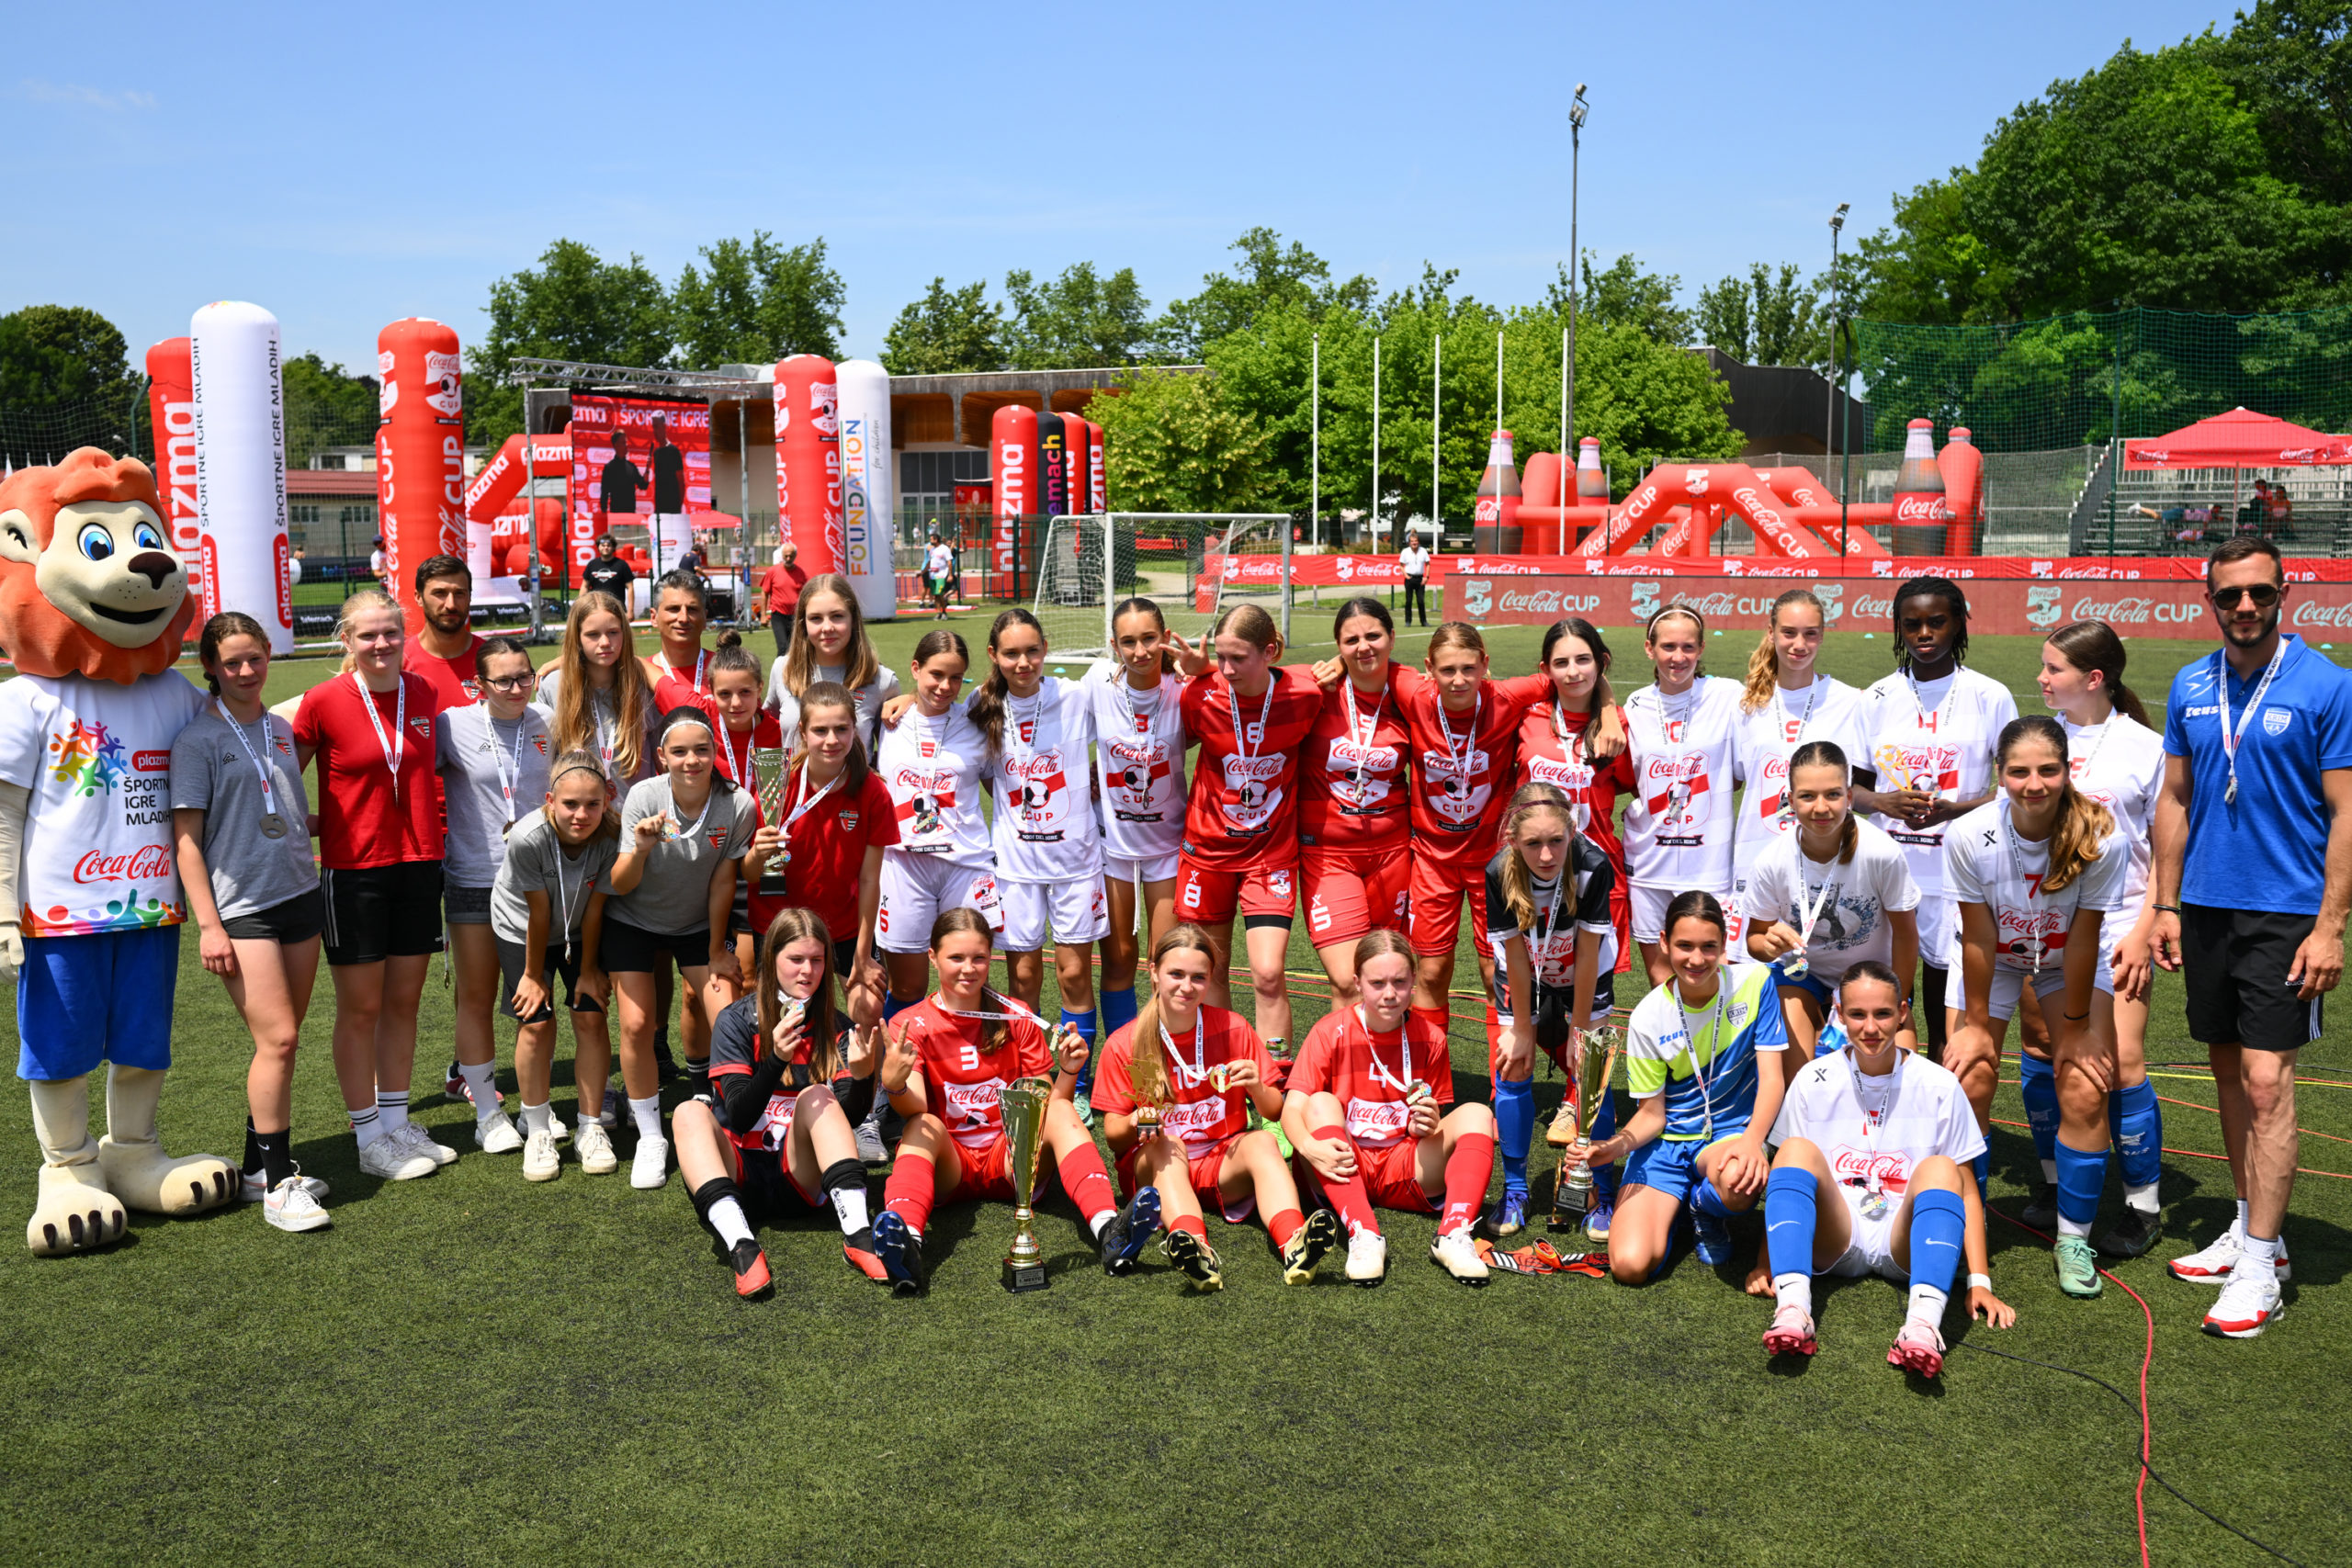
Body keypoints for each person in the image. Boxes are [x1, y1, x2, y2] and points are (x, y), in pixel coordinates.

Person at [2144, 536, 2352, 1338]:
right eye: (2229, 594)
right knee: (2229, 1073)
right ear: (2210, 598)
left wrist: (2330, 927)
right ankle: (2248, 1225)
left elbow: (2345, 810)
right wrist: (2166, 904)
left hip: (2286, 913)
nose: (2244, 607)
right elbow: (2175, 797)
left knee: (2267, 1082)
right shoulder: (2192, 683)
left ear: (2283, 594)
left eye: (2260, 592)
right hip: (2204, 906)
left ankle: (2262, 1264)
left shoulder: (2327, 684)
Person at [869, 908, 1161, 1295]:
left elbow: (1043, 1107)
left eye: (979, 957)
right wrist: (895, 1086)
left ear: (991, 956)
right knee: (923, 1124)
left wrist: (1068, 1071)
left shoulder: (1017, 1015)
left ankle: (1109, 1229)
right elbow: (916, 1108)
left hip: (1012, 1158)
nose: (968, 968)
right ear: (932, 957)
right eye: (956, 957)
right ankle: (907, 1244)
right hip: (950, 1163)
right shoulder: (910, 1023)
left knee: (1062, 1108)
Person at [1760, 961, 2015, 1378]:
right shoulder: (1812, 1079)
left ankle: (1922, 1326)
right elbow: (1788, 1178)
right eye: (1857, 1014)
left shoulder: (1939, 1083)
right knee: (1792, 1149)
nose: (1870, 1027)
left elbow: (1966, 1187)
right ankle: (1793, 1309)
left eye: (1882, 1014)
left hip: (1906, 1241)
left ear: (1902, 1013)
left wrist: (1979, 1281)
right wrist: (1765, 1260)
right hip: (1836, 1234)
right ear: (1839, 1015)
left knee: (1943, 1168)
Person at [1945, 716, 2124, 1297]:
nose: (2034, 784)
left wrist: (2075, 1028)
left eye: (2048, 770)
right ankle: (1962, 1223)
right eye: (2019, 771)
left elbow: (2084, 938)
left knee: (2085, 1084)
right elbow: (1977, 937)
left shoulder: (2101, 835)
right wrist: (1976, 1026)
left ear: (2068, 770)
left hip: (2064, 959)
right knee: (1969, 1077)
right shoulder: (1968, 834)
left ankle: (2074, 1238)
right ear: (2000, 774)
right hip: (1992, 958)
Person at [169, 613, 329, 1232]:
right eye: (231, 662)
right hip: (242, 909)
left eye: (254, 658)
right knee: (279, 1039)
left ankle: (258, 1167)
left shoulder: (279, 729)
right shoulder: (198, 740)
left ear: (268, 655)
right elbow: (187, 841)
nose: (244, 671)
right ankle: (280, 1186)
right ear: (210, 666)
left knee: (283, 1042)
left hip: (300, 893)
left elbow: (278, 805)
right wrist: (208, 926)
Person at [293, 590, 449, 1181]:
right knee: (361, 1008)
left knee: (404, 1003)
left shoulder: (423, 691)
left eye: (390, 633)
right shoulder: (323, 700)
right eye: (368, 635)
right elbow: (279, 776)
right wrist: (308, 824)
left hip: (419, 863)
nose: (381, 644)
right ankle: (366, 1136)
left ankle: (397, 1122)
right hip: (354, 870)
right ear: (347, 640)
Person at [1091, 923, 1343, 1290]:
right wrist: (1139, 1120)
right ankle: (1196, 1251)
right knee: (1167, 1144)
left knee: (1263, 1141)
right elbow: (1113, 1137)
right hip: (1157, 1169)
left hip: (1220, 1163)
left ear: (1211, 979)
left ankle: (1295, 1243)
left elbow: (1274, 1111)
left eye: (1198, 977)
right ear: (1154, 972)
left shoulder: (1233, 1027)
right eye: (1176, 974)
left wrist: (1257, 1086)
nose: (1187, 986)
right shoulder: (1124, 1043)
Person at [2029, 622, 2167, 1256]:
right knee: (2045, 1050)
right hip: (2045, 926)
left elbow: (2167, 846)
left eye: (2053, 668)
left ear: (2093, 678)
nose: (2041, 678)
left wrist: (2147, 928)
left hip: (2118, 926)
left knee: (2123, 1061)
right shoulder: (2040, 737)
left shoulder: (2146, 747)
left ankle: (2143, 1206)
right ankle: (2055, 1181)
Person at [1571, 891, 1788, 1285]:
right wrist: (1613, 1147)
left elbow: (1773, 1079)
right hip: (1666, 1144)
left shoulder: (1755, 983)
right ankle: (1676, 1205)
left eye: (1709, 947)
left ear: (1724, 944)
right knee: (1629, 1266)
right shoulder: (1648, 1016)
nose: (1697, 959)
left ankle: (1703, 1208)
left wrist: (1752, 1141)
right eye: (1685, 946)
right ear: (1664, 943)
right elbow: (1653, 1115)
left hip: (1727, 1136)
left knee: (1740, 1180)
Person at [678, 908, 891, 1296]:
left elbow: (845, 1118)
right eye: (796, 959)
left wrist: (863, 1078)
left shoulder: (837, 1026)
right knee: (688, 1112)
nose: (807, 971)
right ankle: (742, 1246)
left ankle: (858, 1236)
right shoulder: (735, 1020)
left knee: (817, 1095)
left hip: (801, 1177)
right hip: (738, 1175)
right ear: (771, 958)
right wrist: (775, 1060)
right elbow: (739, 1117)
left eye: (817, 960)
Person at [1853, 577, 2017, 1063]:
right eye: (1912, 624)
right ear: (1898, 629)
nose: (1924, 633)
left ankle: (1942, 1102)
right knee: (1887, 1004)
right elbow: (1852, 791)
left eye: (1937, 622)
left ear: (1960, 623)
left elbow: (2015, 789)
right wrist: (1883, 802)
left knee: (1948, 1012)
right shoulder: (1876, 697)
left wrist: (1955, 811)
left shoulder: (1989, 696)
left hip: (1959, 878)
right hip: (1889, 875)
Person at [1281, 929, 1501, 1287]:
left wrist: (1427, 1124)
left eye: (1399, 981)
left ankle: (1454, 1235)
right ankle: (1364, 1235)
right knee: (1319, 1103)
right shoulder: (1329, 1031)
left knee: (1478, 1113)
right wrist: (1308, 1148)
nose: (1389, 993)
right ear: (1357, 983)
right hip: (1341, 1164)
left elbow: (1432, 1122)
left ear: (1413, 980)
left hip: (1405, 1165)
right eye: (1377, 983)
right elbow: (1291, 1109)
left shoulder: (1431, 1037)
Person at [602, 707, 755, 1187]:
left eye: (702, 750)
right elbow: (620, 884)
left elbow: (724, 881)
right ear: (662, 756)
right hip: (632, 921)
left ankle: (734, 1119)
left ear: (714, 752)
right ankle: (651, 1136)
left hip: (695, 925)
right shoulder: (645, 796)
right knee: (636, 1023)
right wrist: (642, 849)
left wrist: (715, 949)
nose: (692, 760)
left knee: (728, 1015)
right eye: (680, 751)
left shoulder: (738, 803)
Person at [1171, 604, 1328, 1054]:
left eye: (1238, 658)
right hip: (1206, 854)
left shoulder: (1306, 693)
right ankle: (1220, 1076)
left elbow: (1337, 671)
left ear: (1270, 651)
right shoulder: (1199, 695)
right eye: (1220, 657)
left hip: (1270, 856)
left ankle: (1274, 1079)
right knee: (1209, 972)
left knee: (1269, 973)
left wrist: (1336, 663)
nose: (1226, 669)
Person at [1395, 622, 1552, 1042]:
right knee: (1431, 971)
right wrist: (1340, 663)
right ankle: (1431, 1077)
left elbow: (1569, 674)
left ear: (1485, 663)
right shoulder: (1412, 693)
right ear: (1429, 668)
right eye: (1447, 670)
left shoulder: (1507, 696)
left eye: (1468, 668)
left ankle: (1506, 1077)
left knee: (1495, 971)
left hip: (1493, 861)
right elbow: (1364, 660)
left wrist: (1607, 709)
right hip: (1432, 860)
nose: (1459, 680)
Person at [433, 636, 551, 1153]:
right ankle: (487, 1112)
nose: (516, 688)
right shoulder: (452, 724)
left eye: (524, 677)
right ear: (479, 684)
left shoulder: (548, 722)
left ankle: (535, 1109)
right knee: (476, 998)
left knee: (534, 1000)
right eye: (502, 680)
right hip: (474, 878)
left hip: (536, 883)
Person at [967, 610, 1106, 1048]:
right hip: (1015, 865)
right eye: (1011, 653)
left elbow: (1125, 727)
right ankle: (1031, 1068)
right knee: (1023, 976)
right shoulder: (980, 704)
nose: (1023, 662)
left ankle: (1077, 1078)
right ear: (994, 654)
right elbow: (985, 774)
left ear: (1046, 648)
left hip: (1075, 862)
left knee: (1074, 974)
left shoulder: (1076, 696)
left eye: (1032, 651)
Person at [1484, 783, 1617, 1237]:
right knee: (1514, 1063)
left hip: (1583, 968)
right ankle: (1515, 1190)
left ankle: (1602, 1190)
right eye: (1533, 843)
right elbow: (1515, 957)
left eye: (1556, 841)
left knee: (1593, 1068)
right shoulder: (1499, 870)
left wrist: (1579, 1033)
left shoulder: (1593, 865)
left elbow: (1588, 953)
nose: (1546, 855)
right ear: (1513, 841)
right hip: (1527, 969)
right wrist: (1523, 1028)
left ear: (1572, 831)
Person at [1742, 740, 1921, 1059]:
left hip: (1870, 976)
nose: (1821, 807)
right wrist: (1768, 946)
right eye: (1807, 796)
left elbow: (1906, 935)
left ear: (1849, 797)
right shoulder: (1771, 861)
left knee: (1895, 1071)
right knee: (1798, 1072)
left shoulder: (1881, 853)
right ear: (1791, 800)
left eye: (1833, 794)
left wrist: (1896, 1001)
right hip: (1802, 975)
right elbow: (1754, 938)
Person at [493, 750, 620, 1182]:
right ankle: (538, 1129)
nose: (581, 814)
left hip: (581, 926)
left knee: (591, 1014)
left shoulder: (611, 835)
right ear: (550, 801)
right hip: (523, 928)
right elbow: (538, 912)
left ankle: (590, 1127)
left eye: (592, 804)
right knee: (535, 1022)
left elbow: (596, 908)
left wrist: (588, 970)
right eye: (570, 804)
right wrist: (532, 976)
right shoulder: (528, 836)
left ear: (606, 801)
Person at [872, 630, 1001, 1027]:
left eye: (956, 677)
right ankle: (897, 1062)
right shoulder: (886, 721)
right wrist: (909, 698)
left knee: (966, 981)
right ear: (915, 669)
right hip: (904, 866)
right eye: (936, 675)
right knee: (907, 986)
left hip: (965, 866)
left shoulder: (975, 723)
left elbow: (1000, 788)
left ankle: (967, 1062)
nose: (945, 686)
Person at [1731, 590, 1872, 942]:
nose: (1799, 644)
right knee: (1757, 965)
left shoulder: (1851, 702)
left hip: (1824, 864)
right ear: (1771, 633)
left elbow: (1864, 785)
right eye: (1789, 632)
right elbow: (1734, 779)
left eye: (1810, 633)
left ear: (1822, 635)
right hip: (1757, 862)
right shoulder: (1744, 704)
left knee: (1823, 960)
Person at [1084, 597, 1190, 1046]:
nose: (1140, 651)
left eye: (1149, 639)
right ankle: (1123, 1058)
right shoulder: (1096, 684)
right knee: (1119, 960)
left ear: (1165, 638)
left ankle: (1162, 1057)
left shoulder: (1185, 689)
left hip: (1168, 847)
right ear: (1114, 646)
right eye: (1128, 642)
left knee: (1163, 962)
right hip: (1114, 849)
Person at [1299, 598, 1412, 1009]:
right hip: (1329, 856)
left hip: (1393, 855)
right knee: (1349, 982)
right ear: (1338, 646)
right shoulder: (1317, 689)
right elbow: (1252, 675)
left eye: (1373, 636)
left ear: (1392, 638)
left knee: (1391, 980)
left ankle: (1394, 1053)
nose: (1364, 646)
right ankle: (1349, 1054)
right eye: (1351, 640)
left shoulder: (1410, 694)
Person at [1623, 604, 1746, 983]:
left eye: (1688, 647)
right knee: (1662, 979)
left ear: (1701, 648)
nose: (1678, 657)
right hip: (1648, 861)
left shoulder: (1727, 696)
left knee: (1717, 977)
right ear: (1649, 649)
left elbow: (1738, 775)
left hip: (1708, 864)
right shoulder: (1634, 706)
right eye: (1668, 647)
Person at [751, 680, 897, 986]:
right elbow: (749, 874)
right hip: (781, 923)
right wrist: (757, 854)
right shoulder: (776, 783)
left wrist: (863, 955)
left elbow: (869, 880)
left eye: (841, 729)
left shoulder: (873, 791)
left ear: (854, 729)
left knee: (868, 1004)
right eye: (820, 730)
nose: (832, 740)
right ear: (803, 731)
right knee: (786, 1012)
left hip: (843, 926)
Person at [1513, 616, 1633, 970]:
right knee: (1531, 980)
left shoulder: (1621, 725)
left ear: (1601, 662)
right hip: (1532, 867)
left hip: (1596, 868)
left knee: (1595, 982)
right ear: (1545, 669)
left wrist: (1608, 710)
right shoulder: (1523, 717)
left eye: (1583, 660)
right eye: (1561, 662)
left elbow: (1631, 783)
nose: (1573, 672)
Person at [766, 572, 901, 749]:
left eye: (837, 616)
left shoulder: (882, 680)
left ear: (853, 619)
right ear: (803, 623)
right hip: (793, 769)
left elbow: (894, 752)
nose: (827, 627)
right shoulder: (783, 669)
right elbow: (762, 729)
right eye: (816, 618)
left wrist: (913, 699)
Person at [538, 591, 657, 787]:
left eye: (613, 632)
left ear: (624, 633)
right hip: (578, 805)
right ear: (577, 637)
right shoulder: (553, 686)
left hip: (637, 807)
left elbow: (663, 761)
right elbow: (542, 765)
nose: (605, 643)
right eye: (593, 634)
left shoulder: (643, 685)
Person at [404, 555, 483, 712]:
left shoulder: (494, 659)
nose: (451, 605)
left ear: (470, 597)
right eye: (440, 593)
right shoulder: (398, 662)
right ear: (419, 597)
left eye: (459, 593)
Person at [643, 570, 714, 713]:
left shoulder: (729, 670)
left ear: (705, 618)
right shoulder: (639, 676)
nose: (683, 618)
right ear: (654, 617)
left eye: (692, 609)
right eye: (674, 609)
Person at [759, 541, 806, 662]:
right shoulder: (773, 571)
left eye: (791, 556)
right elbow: (764, 592)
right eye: (786, 556)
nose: (788, 558)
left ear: (795, 555)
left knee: (795, 648)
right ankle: (778, 671)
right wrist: (763, 615)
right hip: (778, 615)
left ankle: (794, 671)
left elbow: (807, 595)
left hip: (795, 616)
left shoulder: (801, 573)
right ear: (782, 555)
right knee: (783, 647)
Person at [599, 430, 644, 532]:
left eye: (626, 442)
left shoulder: (632, 467)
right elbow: (604, 492)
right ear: (616, 445)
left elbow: (642, 485)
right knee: (617, 537)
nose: (626, 445)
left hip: (630, 513)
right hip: (616, 514)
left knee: (631, 537)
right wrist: (604, 513)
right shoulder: (609, 468)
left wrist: (647, 471)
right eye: (623, 442)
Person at [582, 535, 636, 606]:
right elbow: (585, 586)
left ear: (613, 547)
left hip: (617, 608)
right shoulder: (592, 564)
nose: (606, 548)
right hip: (597, 608)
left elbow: (630, 587)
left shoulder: (622, 565)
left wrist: (630, 610)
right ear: (598, 547)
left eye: (608, 545)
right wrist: (581, 606)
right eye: (603, 545)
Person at [1398, 537, 1431, 628]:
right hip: (1409, 579)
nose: (1414, 543)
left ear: (1418, 542)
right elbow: (1401, 565)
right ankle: (1408, 621)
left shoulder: (1423, 551)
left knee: (1420, 601)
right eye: (1412, 541)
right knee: (1409, 601)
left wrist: (1426, 577)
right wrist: (1406, 575)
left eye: (1416, 541)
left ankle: (1423, 621)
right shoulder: (1405, 551)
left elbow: (1428, 564)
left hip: (1420, 579)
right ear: (1409, 543)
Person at [924, 530, 956, 619]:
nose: (930, 541)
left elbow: (949, 562)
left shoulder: (945, 549)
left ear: (936, 540)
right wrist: (923, 572)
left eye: (931, 539)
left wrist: (950, 575)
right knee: (936, 595)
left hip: (941, 575)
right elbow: (930, 562)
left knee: (940, 593)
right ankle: (938, 612)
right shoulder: (932, 550)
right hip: (932, 576)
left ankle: (944, 612)